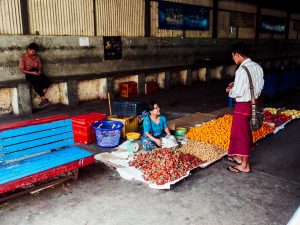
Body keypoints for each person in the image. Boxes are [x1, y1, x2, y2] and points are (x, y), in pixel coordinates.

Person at [226, 42, 264, 173]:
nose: (233, 59)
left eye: (233, 56)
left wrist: (230, 90)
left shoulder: (242, 70)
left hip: (243, 107)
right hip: (255, 103)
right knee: (246, 133)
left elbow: (238, 92)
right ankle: (239, 158)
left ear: (237, 54)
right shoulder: (258, 67)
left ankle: (245, 166)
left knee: (241, 136)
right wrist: (236, 85)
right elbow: (259, 85)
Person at [19, 42, 51, 108]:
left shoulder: (37, 57)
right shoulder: (23, 57)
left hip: (37, 72)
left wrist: (39, 71)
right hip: (29, 73)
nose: (33, 53)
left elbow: (40, 66)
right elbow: (22, 69)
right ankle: (43, 98)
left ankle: (43, 99)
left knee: (47, 83)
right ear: (28, 49)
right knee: (35, 83)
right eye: (32, 51)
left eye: (35, 52)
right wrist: (32, 73)